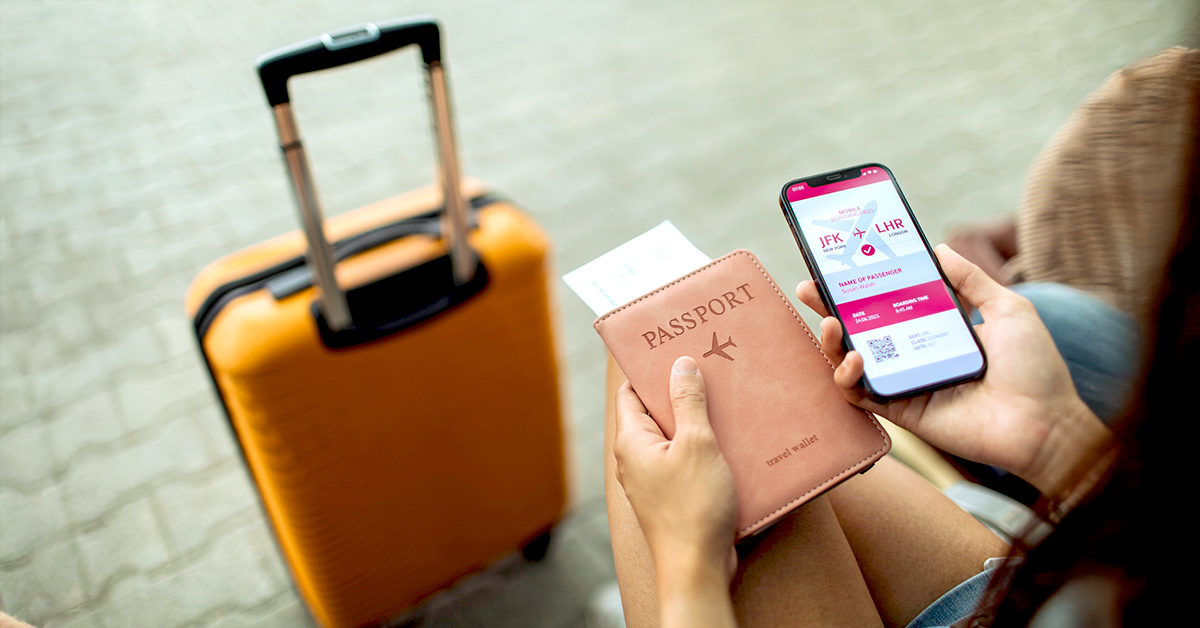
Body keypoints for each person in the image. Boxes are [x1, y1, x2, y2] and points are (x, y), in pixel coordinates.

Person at [604, 166, 1199, 626]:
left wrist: (686, 566)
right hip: (1020, 594)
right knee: (684, 356)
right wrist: (1050, 435)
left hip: (1043, 597)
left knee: (645, 353)